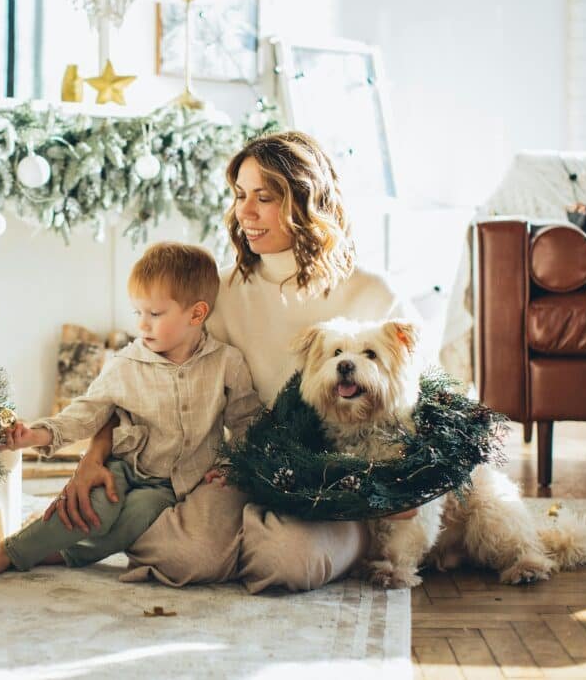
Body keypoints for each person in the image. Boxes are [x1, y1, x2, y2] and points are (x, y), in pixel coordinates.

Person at [43, 131, 420, 593]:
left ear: (305, 202)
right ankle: (250, 528)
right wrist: (93, 456)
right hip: (241, 465)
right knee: (176, 555)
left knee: (286, 563)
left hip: (337, 478)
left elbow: (431, 397)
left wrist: (392, 488)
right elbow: (139, 370)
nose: (245, 212)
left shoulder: (372, 292)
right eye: (240, 195)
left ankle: (330, 538)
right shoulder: (219, 293)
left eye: (264, 198)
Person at [0, 242, 262, 580]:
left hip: (171, 485)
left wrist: (232, 465)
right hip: (124, 466)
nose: (142, 325)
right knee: (96, 508)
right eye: (138, 312)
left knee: (140, 515)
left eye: (154, 314)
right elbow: (85, 413)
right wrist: (34, 435)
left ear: (196, 314)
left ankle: (66, 553)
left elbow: (247, 421)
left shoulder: (227, 363)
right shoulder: (126, 364)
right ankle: (13, 550)